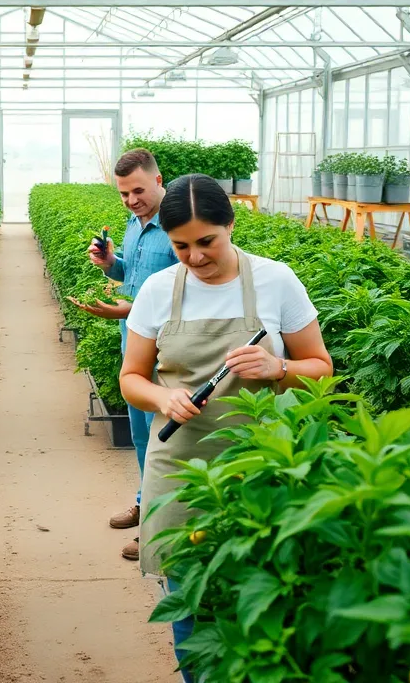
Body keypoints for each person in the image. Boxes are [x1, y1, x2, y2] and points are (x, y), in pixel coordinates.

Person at [118, 174, 333, 681]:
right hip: (182, 467)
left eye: (206, 241)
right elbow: (130, 379)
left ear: (231, 225)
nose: (194, 258)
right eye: (181, 246)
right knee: (191, 604)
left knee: (260, 593)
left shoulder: (277, 281)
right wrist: (162, 396)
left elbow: (321, 368)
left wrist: (279, 369)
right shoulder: (157, 290)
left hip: (261, 462)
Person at [70, 148, 179, 562]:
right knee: (139, 435)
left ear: (157, 179)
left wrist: (128, 308)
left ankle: (158, 526)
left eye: (137, 191)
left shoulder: (178, 226)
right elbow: (130, 275)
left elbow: (185, 294)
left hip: (168, 350)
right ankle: (144, 500)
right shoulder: (135, 224)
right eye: (123, 194)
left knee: (163, 440)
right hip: (133, 344)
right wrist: (110, 262)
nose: (131, 200)